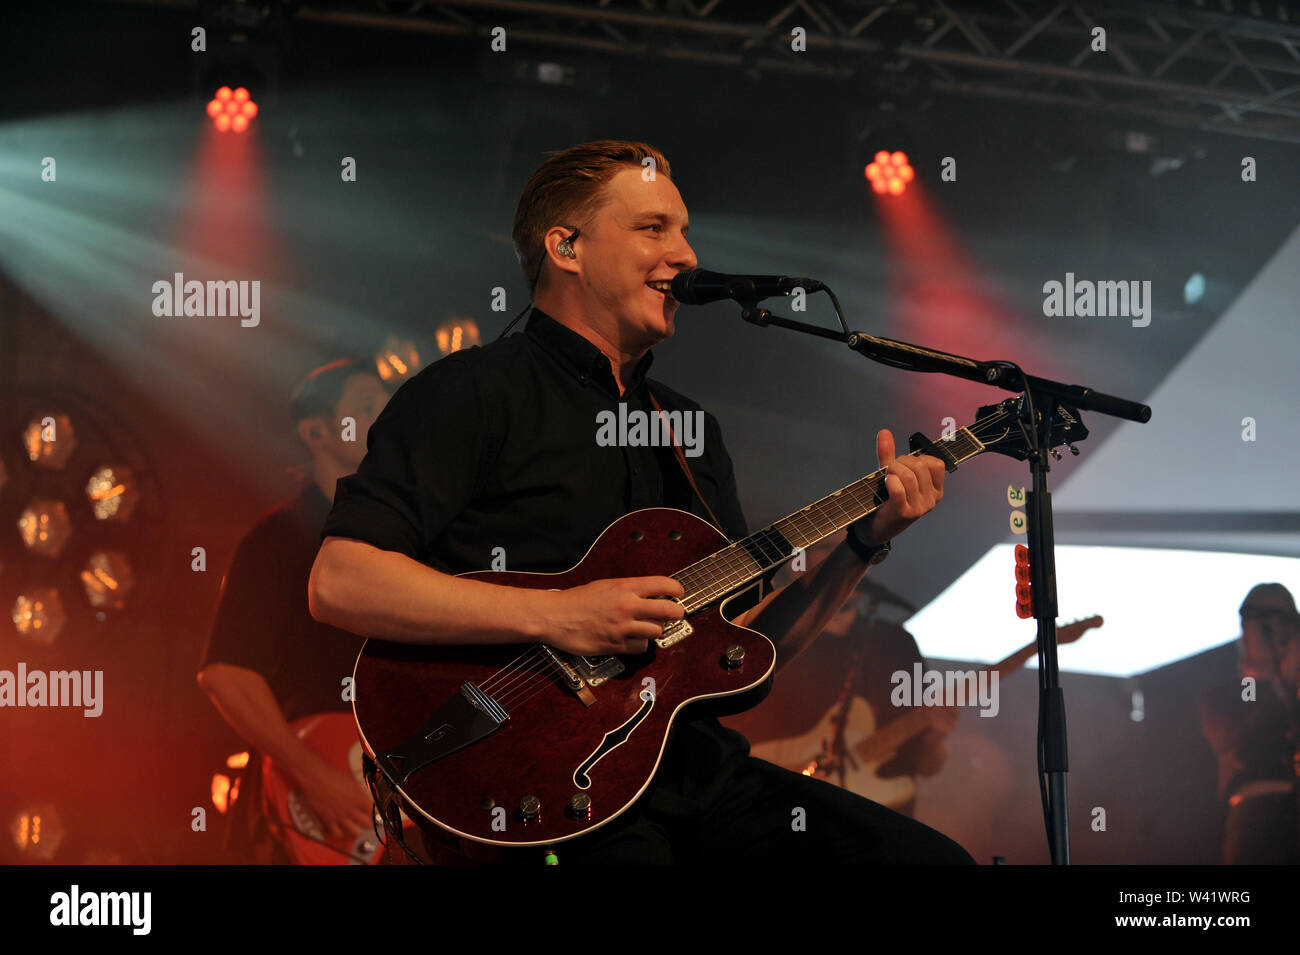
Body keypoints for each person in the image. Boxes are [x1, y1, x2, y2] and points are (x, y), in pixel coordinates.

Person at [309, 139, 975, 864]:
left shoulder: (687, 431)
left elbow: (746, 646)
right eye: (653, 228)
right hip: (535, 786)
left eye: (684, 231)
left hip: (691, 772)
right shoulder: (466, 394)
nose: (686, 254)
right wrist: (562, 614)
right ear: (565, 246)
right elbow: (340, 579)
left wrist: (863, 542)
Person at [197, 358, 390, 863]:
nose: (387, 418)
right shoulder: (276, 539)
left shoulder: (413, 538)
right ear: (315, 431)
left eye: (390, 406)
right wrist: (314, 777)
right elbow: (226, 673)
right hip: (305, 807)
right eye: (368, 407)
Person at [725, 542, 958, 818]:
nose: (845, 550)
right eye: (826, 546)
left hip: (879, 822)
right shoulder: (770, 639)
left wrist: (933, 738)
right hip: (779, 811)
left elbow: (925, 765)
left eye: (855, 539)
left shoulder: (897, 643)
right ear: (796, 561)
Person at [1198, 582, 1300, 864]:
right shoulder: (1228, 695)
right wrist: (1280, 681)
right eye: (1266, 625)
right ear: (1246, 629)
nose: (1278, 633)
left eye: (1286, 623)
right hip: (1259, 825)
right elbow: (1245, 743)